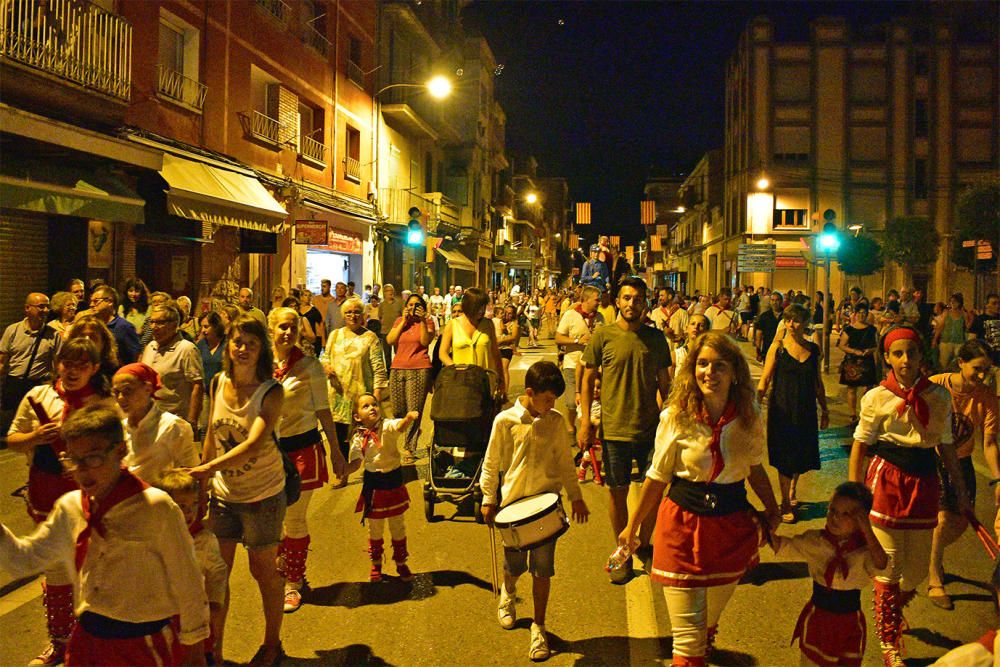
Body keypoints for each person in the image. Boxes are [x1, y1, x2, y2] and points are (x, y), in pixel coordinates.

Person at [0, 405, 210, 666]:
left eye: (93, 458)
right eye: (74, 460)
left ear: (120, 450)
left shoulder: (156, 507)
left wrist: (195, 646)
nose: (83, 470)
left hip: (142, 642)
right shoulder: (71, 506)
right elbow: (25, 560)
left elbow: (187, 579)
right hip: (87, 639)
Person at [619, 332, 780, 665]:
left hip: (730, 528)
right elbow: (656, 477)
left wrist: (775, 508)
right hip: (682, 526)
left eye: (719, 365)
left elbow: (754, 467)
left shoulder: (748, 415)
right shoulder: (676, 416)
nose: (710, 373)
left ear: (735, 372)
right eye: (702, 364)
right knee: (688, 643)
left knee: (706, 623)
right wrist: (633, 526)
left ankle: (704, 642)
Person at [848, 326, 971, 666]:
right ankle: (890, 643)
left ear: (921, 356)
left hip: (924, 482)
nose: (905, 360)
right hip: (886, 480)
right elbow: (860, 445)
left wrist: (960, 491)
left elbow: (946, 445)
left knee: (916, 571)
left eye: (911, 353)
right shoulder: (875, 397)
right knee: (888, 566)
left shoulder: (939, 397)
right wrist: (853, 492)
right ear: (887, 358)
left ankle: (888, 609)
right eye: (897, 353)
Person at [6, 337, 117, 665]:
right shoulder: (38, 397)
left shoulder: (104, 402)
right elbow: (12, 438)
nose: (73, 371)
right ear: (57, 363)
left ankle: (95, 640)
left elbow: (119, 449)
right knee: (56, 571)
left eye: (82, 364)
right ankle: (59, 641)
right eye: (67, 362)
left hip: (90, 496)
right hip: (48, 494)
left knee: (95, 571)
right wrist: (34, 437)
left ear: (95, 368)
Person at [186, 315, 286, 666]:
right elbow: (212, 435)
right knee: (216, 574)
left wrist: (208, 468)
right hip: (224, 497)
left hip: (263, 496)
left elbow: (256, 443)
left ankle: (272, 643)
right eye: (238, 342)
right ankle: (214, 648)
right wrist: (203, 485)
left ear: (262, 350)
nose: (243, 349)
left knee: (263, 570)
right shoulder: (218, 382)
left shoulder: (271, 391)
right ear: (228, 345)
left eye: (251, 344)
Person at [480, 360, 589, 662]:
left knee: (542, 569)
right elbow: (491, 461)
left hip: (545, 506)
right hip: (512, 505)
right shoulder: (504, 421)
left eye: (554, 399)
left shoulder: (554, 422)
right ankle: (508, 592)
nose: (552, 405)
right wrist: (488, 497)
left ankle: (539, 627)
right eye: (548, 399)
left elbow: (566, 463)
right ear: (530, 392)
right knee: (514, 565)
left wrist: (576, 496)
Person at [580, 276, 672, 581]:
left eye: (638, 299)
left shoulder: (656, 339)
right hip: (614, 431)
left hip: (650, 430)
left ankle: (643, 546)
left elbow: (665, 385)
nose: (632, 304)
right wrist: (584, 421)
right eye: (627, 298)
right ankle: (622, 551)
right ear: (617, 301)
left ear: (646, 303)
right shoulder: (603, 336)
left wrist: (671, 422)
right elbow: (587, 379)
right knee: (617, 494)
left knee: (652, 494)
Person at [270, 307, 346, 613]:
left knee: (294, 518)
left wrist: (337, 452)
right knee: (273, 521)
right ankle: (280, 572)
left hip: (302, 451)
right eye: (283, 327)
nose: (288, 333)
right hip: (269, 452)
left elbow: (323, 410)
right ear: (271, 330)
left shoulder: (311, 367)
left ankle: (294, 582)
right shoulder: (260, 365)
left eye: (293, 328)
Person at [770, 482, 888, 667]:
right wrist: (764, 529)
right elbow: (784, 546)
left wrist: (867, 530)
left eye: (846, 514)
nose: (835, 518)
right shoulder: (816, 541)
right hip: (819, 619)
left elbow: (882, 564)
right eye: (832, 509)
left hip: (849, 621)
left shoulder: (865, 551)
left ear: (861, 519)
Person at [925, 339, 1000, 609]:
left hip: (962, 461)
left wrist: (998, 479)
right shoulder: (936, 385)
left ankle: (933, 554)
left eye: (987, 371)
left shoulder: (988, 398)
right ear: (961, 363)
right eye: (977, 369)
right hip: (932, 458)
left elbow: (989, 443)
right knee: (943, 520)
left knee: (960, 522)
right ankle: (935, 579)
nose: (982, 376)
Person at [758, 303, 827, 523]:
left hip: (805, 409)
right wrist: (755, 405)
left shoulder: (813, 350)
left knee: (800, 453)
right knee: (784, 454)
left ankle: (792, 490)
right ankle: (785, 502)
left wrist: (825, 409)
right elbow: (765, 378)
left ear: (805, 323)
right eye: (788, 320)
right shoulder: (777, 347)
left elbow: (817, 382)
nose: (791, 324)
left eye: (797, 320)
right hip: (782, 409)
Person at [346, 393, 419, 583]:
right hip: (374, 485)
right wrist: (344, 469)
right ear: (356, 416)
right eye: (366, 406)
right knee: (375, 528)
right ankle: (376, 563)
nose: (372, 408)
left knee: (397, 526)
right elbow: (356, 461)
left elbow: (400, 426)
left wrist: (408, 418)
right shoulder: (358, 437)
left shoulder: (387, 426)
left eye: (374, 404)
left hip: (393, 480)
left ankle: (401, 563)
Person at [157, 469, 228, 665]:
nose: (189, 512)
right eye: (181, 506)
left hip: (193, 612)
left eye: (193, 505)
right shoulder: (156, 537)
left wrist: (215, 602)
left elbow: (217, 572)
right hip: (163, 615)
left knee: (198, 656)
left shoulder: (203, 539)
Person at [324, 297, 389, 485]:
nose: (352, 316)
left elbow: (379, 368)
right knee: (338, 438)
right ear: (343, 315)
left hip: (360, 398)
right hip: (336, 397)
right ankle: (342, 473)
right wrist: (326, 366)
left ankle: (371, 467)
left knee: (358, 437)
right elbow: (325, 357)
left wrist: (376, 397)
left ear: (363, 315)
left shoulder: (370, 338)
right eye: (348, 312)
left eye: (356, 312)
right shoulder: (335, 335)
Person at [113, 362, 199, 485]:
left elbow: (192, 470)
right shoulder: (120, 427)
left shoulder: (171, 425)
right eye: (116, 392)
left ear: (147, 389)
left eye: (128, 391)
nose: (121, 398)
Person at [386, 294, 435, 464]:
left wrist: (421, 320)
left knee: (413, 410)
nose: (413, 308)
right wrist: (403, 322)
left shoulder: (428, 322)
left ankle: (409, 447)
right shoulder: (400, 321)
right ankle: (413, 433)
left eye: (417, 305)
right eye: (410, 304)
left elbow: (424, 341)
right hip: (397, 367)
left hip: (419, 368)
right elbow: (390, 339)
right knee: (398, 410)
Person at [140, 302, 204, 430]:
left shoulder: (186, 349)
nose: (153, 327)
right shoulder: (150, 346)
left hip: (174, 421)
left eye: (159, 323)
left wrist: (192, 421)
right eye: (152, 322)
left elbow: (197, 386)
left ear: (174, 325)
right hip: (149, 418)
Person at [1, 292, 61, 422]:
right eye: (41, 306)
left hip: (38, 384)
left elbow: (58, 364)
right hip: (14, 384)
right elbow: (2, 361)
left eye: (47, 307)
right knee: (10, 421)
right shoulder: (12, 330)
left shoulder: (53, 335)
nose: (45, 310)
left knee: (37, 421)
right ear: (27, 308)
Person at [439, 287, 506, 398]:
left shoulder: (488, 324)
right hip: (460, 382)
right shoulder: (453, 324)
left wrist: (501, 379)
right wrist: (456, 370)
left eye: (483, 307)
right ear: (468, 306)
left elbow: (495, 353)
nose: (481, 311)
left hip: (485, 382)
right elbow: (443, 353)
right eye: (477, 307)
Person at [554, 286, 603, 432]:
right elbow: (558, 338)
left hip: (592, 365)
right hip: (572, 363)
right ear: (585, 300)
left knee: (592, 400)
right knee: (571, 402)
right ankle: (570, 428)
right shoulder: (570, 315)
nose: (599, 302)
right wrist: (577, 341)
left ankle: (588, 432)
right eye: (596, 299)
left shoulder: (600, 318)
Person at [837, 302, 879, 425]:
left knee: (868, 389)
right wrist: (855, 351)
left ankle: (865, 412)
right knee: (851, 389)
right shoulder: (849, 329)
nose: (861, 315)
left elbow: (876, 346)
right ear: (855, 314)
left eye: (864, 313)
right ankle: (852, 414)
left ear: (867, 314)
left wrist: (869, 351)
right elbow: (842, 345)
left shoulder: (872, 329)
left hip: (867, 360)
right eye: (859, 313)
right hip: (852, 362)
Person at [85, 286, 141, 364]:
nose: (91, 305)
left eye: (96, 301)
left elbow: (136, 356)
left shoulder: (124, 327)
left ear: (110, 302)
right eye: (91, 301)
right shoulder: (92, 325)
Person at [933, 293, 974, 371]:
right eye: (951, 302)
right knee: (943, 363)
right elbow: (941, 326)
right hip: (946, 340)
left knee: (958, 363)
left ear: (959, 303)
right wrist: (935, 339)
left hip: (959, 341)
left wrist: (971, 319)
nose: (952, 303)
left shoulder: (963, 314)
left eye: (954, 302)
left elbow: (967, 327)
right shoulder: (947, 313)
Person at [577, 376, 604, 485]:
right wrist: (590, 421)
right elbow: (581, 415)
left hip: (599, 436)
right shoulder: (586, 403)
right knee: (587, 456)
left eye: (598, 387)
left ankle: (596, 475)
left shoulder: (603, 403)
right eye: (593, 387)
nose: (595, 390)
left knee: (598, 457)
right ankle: (582, 472)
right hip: (589, 435)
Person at [497, 304, 521, 396]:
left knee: (504, 368)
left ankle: (505, 392)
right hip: (496, 348)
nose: (507, 315)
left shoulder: (514, 324)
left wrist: (501, 340)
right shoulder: (498, 321)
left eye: (510, 313)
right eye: (506, 312)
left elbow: (513, 337)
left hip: (506, 348)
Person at [378, 284, 404, 367]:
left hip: (397, 332)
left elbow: (403, 316)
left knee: (398, 353)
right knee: (387, 354)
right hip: (385, 332)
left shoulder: (399, 303)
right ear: (384, 293)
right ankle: (389, 371)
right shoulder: (382, 305)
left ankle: (397, 369)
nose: (390, 292)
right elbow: (380, 317)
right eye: (388, 290)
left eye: (392, 290)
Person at [754, 291, 783, 362]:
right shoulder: (764, 316)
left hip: (783, 350)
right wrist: (758, 351)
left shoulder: (786, 316)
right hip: (768, 348)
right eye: (772, 300)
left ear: (781, 301)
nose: (775, 302)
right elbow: (759, 333)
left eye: (777, 300)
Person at [298, 289, 325, 355]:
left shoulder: (314, 310)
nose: (308, 297)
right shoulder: (297, 309)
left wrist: (322, 339)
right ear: (301, 297)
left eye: (309, 295)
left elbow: (321, 323)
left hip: (311, 337)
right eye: (305, 295)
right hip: (299, 337)